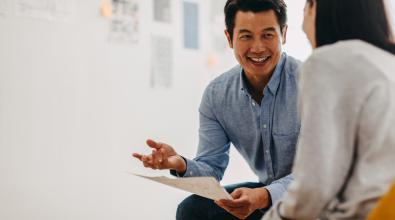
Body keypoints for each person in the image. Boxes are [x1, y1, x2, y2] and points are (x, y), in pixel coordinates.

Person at [133, 0, 301, 219]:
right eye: (246, 36)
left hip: (317, 199)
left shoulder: (312, 85)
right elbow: (211, 169)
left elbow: (321, 175)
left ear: (284, 34)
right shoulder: (217, 95)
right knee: (192, 211)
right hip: (268, 197)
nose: (258, 47)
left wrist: (262, 195)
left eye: (268, 35)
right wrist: (180, 164)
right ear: (230, 39)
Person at [262, 0, 395, 219]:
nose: (304, 25)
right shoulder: (387, 61)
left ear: (316, 8)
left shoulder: (326, 62)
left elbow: (314, 188)